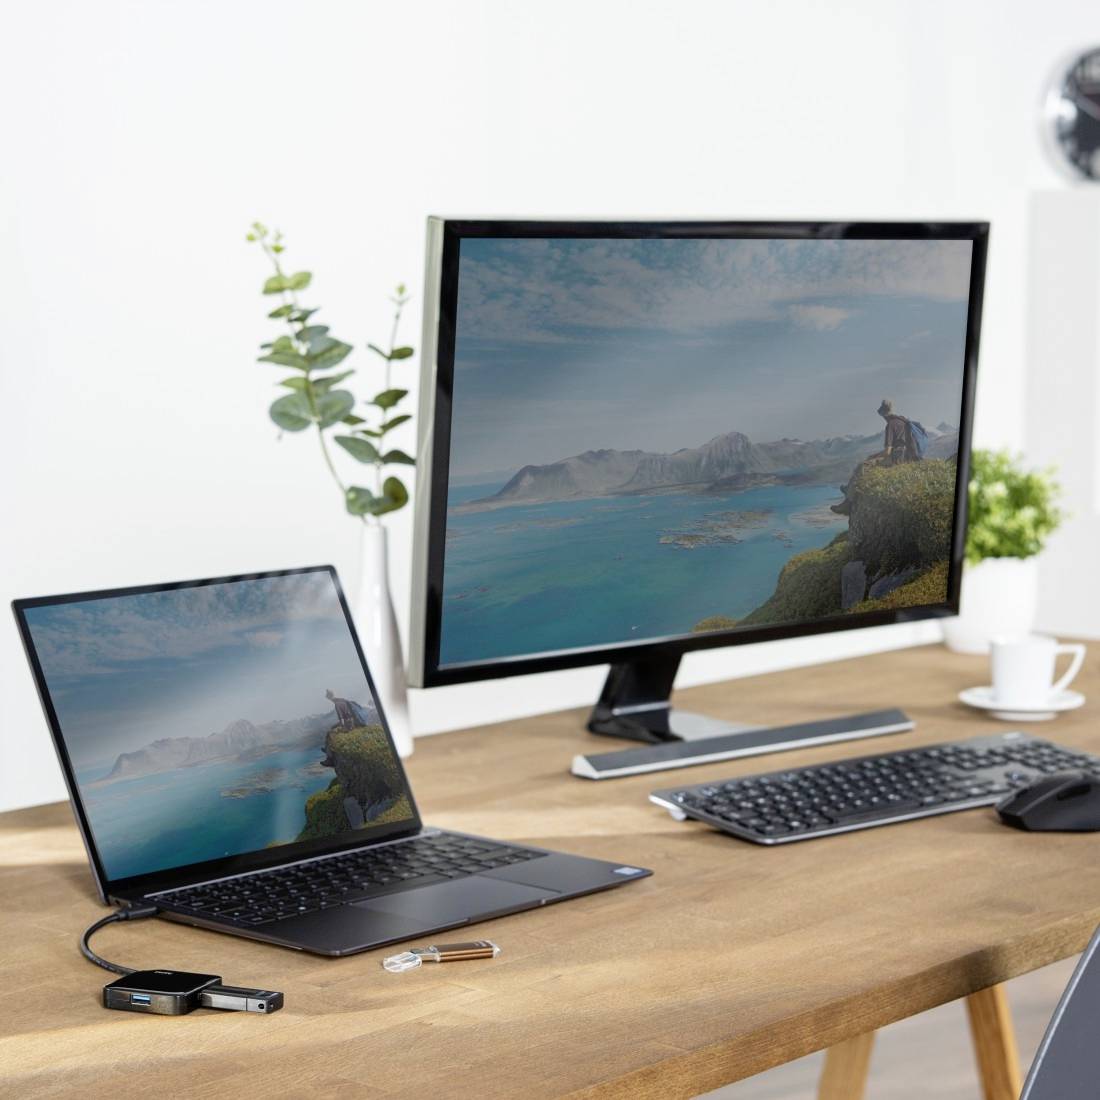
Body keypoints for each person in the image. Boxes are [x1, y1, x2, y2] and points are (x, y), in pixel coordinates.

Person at [830, 398, 922, 514]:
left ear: (884, 414)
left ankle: (847, 502)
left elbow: (887, 451)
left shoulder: (890, 425)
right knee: (867, 463)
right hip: (908, 457)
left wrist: (872, 456)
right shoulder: (903, 421)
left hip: (898, 458)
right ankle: (849, 489)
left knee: (862, 466)